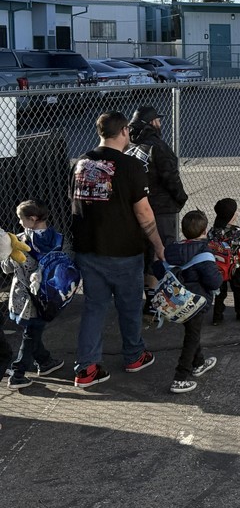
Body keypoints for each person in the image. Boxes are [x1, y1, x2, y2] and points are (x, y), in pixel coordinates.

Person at [71, 111, 165, 389]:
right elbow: (144, 212)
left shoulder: (80, 163)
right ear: (124, 131)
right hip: (124, 250)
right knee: (130, 305)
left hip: (88, 248)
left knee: (94, 307)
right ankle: (134, 355)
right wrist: (159, 245)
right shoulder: (130, 166)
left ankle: (85, 368)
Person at [2, 200, 64, 390]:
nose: (19, 222)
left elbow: (6, 268)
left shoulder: (18, 241)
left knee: (31, 332)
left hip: (23, 296)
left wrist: (8, 253)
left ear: (32, 219)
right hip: (45, 296)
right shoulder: (57, 240)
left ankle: (30, 367)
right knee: (33, 331)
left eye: (21, 219)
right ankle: (28, 368)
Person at [162, 210, 222, 394]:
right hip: (196, 301)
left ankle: (199, 362)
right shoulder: (204, 252)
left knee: (191, 331)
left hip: (178, 300)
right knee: (192, 337)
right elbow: (214, 281)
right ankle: (180, 377)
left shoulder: (172, 250)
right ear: (204, 232)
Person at [126, 105, 188, 248]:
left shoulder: (128, 147)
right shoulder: (158, 147)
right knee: (163, 252)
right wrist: (180, 198)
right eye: (158, 120)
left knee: (143, 251)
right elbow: (171, 177)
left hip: (136, 208)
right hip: (161, 210)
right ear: (152, 122)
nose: (160, 124)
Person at [208, 198, 240, 324]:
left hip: (218, 265)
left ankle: (217, 316)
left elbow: (208, 243)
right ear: (231, 216)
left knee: (220, 291)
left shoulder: (213, 230)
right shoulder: (236, 231)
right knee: (238, 288)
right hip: (234, 265)